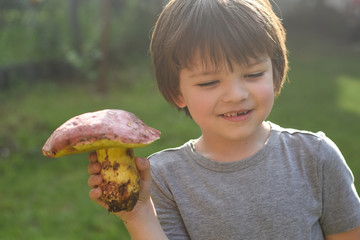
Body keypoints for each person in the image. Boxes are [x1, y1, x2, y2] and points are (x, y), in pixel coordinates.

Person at [87, 0, 360, 239]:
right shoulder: (162, 178)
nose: (236, 95)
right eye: (209, 82)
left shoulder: (316, 158)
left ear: (275, 74)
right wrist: (139, 214)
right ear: (176, 92)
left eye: (253, 74)